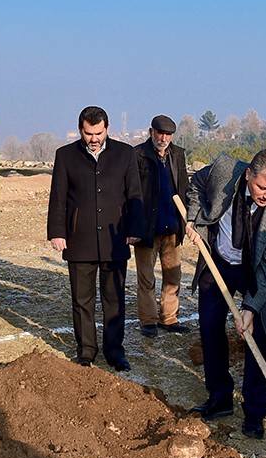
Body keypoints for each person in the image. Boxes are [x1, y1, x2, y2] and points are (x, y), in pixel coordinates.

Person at [185, 149, 266, 440]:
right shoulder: (224, 170)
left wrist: (250, 308)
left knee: (259, 336)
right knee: (210, 327)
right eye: (262, 187)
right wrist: (194, 219)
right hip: (219, 261)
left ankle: (255, 411)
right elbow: (196, 184)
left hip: (258, 269)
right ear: (249, 174)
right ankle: (220, 398)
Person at [47, 106, 144, 372]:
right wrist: (57, 232)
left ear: (107, 129)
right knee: (82, 300)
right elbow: (58, 196)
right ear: (80, 130)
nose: (94, 139)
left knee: (115, 300)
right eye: (89, 133)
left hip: (116, 239)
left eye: (98, 133)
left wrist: (134, 228)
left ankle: (115, 352)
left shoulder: (125, 154)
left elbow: (134, 194)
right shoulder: (65, 155)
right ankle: (86, 351)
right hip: (79, 239)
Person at [133, 115, 191, 337]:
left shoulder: (178, 155)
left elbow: (184, 188)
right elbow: (129, 193)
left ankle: (169, 319)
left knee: (173, 277)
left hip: (173, 228)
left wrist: (187, 220)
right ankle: (148, 321)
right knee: (146, 278)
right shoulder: (137, 155)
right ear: (151, 132)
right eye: (160, 133)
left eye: (168, 135)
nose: (163, 138)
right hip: (146, 229)